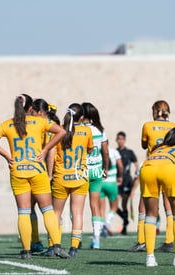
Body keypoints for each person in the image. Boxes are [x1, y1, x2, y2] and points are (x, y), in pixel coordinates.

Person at [0, 94, 69, 259]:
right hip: (37, 169)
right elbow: (62, 131)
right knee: (47, 210)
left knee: (23, 212)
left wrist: (7, 156)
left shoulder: (9, 123)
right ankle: (57, 246)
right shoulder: (40, 121)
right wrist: (45, 150)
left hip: (18, 170)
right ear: (31, 108)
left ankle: (26, 251)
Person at [128, 100, 175, 252]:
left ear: (155, 112)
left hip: (153, 166)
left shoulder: (148, 125)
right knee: (168, 205)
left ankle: (142, 241)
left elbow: (144, 145)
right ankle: (169, 241)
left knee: (145, 205)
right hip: (170, 167)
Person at [140, 127, 175, 267]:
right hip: (170, 170)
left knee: (151, 215)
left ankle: (150, 258)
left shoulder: (157, 149)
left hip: (147, 168)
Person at [51, 104, 94, 257]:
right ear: (81, 117)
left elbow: (51, 153)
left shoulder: (58, 129)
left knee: (55, 213)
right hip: (80, 177)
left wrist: (50, 174)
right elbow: (90, 149)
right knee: (77, 214)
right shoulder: (87, 130)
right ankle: (74, 248)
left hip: (61, 177)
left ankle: (53, 246)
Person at [30, 99, 61, 253]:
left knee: (39, 208)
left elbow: (51, 153)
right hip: (52, 171)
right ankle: (53, 244)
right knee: (51, 210)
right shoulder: (49, 125)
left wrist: (49, 174)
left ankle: (46, 243)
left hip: (42, 172)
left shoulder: (43, 126)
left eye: (33, 112)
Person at [82, 102, 109, 249]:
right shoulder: (100, 130)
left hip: (82, 170)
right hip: (97, 169)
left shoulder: (79, 129)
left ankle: (77, 238)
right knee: (95, 205)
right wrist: (105, 168)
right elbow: (105, 151)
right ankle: (96, 239)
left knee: (77, 205)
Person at [116, 131, 138, 235]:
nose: (120, 141)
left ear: (124, 140)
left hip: (127, 181)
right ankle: (125, 219)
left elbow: (137, 165)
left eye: (121, 139)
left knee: (124, 204)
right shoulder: (115, 152)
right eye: (118, 139)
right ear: (116, 140)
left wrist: (135, 178)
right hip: (117, 181)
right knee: (114, 205)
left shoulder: (129, 152)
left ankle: (124, 226)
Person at [100, 143, 123, 237]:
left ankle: (102, 229)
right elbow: (120, 166)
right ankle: (107, 222)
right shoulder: (114, 152)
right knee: (114, 206)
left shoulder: (97, 152)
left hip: (100, 183)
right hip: (112, 183)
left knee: (101, 209)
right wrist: (120, 177)